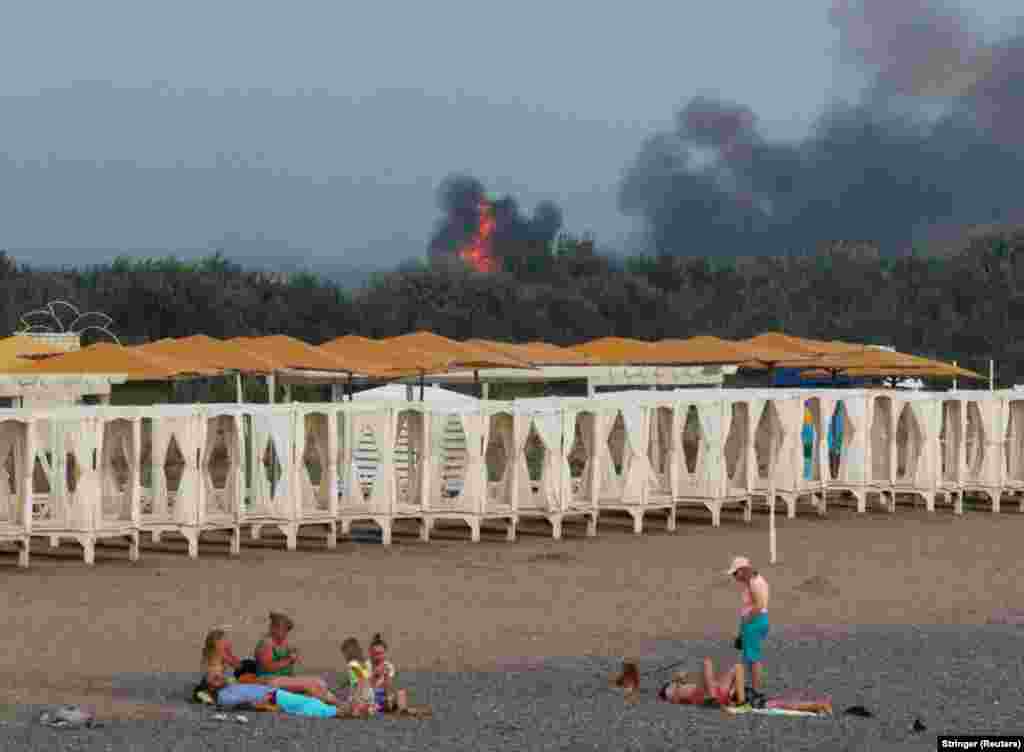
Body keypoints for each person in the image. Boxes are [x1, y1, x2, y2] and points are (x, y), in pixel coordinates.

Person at [254, 612, 339, 705]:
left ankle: (339, 705)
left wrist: (292, 655)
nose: (285, 634)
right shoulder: (266, 644)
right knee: (313, 684)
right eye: (284, 630)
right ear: (273, 628)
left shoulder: (281, 643)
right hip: (269, 680)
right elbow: (268, 667)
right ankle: (339, 706)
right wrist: (289, 660)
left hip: (281, 679)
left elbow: (288, 657)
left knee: (319, 683)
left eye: (287, 631)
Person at [198, 628, 277, 710]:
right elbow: (213, 679)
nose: (228, 643)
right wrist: (226, 681)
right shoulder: (216, 658)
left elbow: (238, 665)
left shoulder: (216, 655)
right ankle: (259, 703)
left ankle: (260, 699)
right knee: (239, 695)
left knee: (243, 683)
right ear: (217, 643)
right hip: (216, 690)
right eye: (225, 641)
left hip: (217, 688)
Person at [728, 556, 770, 702]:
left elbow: (760, 605)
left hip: (754, 622)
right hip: (755, 621)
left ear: (742, 570)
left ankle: (756, 691)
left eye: (735, 573)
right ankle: (752, 688)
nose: (734, 577)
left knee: (753, 658)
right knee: (750, 656)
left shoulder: (754, 583)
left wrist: (746, 622)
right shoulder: (753, 581)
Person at [657, 657, 746, 707]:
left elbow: (705, 679)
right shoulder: (675, 692)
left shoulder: (683, 686)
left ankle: (741, 702)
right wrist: (677, 681)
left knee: (737, 667)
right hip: (707, 695)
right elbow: (676, 698)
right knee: (706, 662)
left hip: (715, 691)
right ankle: (713, 699)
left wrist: (680, 679)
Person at [341, 637, 376, 716]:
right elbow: (363, 677)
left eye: (344, 653)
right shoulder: (365, 664)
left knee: (345, 709)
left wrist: (356, 698)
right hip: (370, 696)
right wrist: (345, 683)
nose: (344, 657)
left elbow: (361, 679)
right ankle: (367, 708)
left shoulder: (352, 664)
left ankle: (360, 709)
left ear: (349, 652)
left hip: (361, 695)